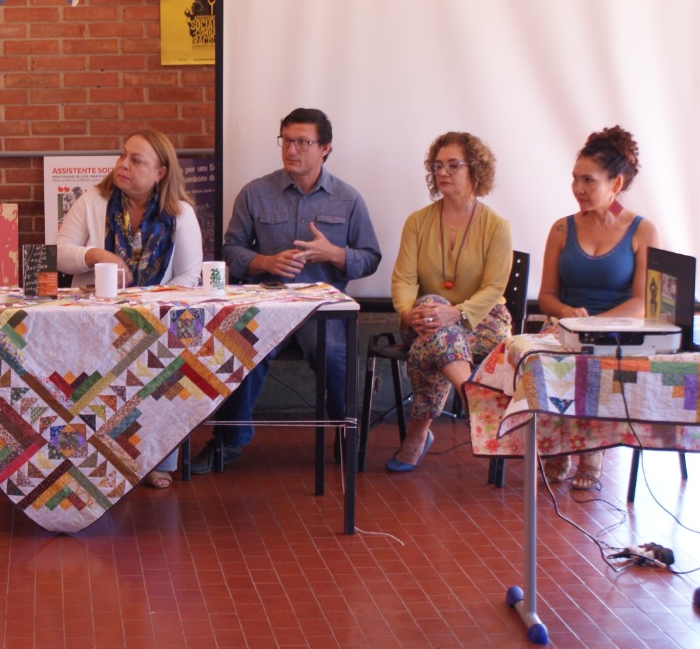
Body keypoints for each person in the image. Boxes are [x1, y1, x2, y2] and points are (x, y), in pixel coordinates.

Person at [190, 108, 381, 474]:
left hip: (320, 308)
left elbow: (371, 257)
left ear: (325, 148)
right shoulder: (255, 193)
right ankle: (228, 441)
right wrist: (265, 262)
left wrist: (335, 254)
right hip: (266, 305)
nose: (291, 150)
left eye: (302, 142)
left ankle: (345, 433)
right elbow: (230, 250)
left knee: (335, 352)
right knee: (239, 346)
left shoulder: (349, 199)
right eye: (286, 141)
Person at [56, 129, 202, 488]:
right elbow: (59, 252)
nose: (123, 165)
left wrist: (149, 306)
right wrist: (95, 255)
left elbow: (189, 276)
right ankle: (88, 458)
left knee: (163, 368)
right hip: (95, 319)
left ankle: (155, 459)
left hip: (153, 321)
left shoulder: (180, 213)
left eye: (136, 160)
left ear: (160, 173)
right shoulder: (93, 200)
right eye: (122, 156)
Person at [536, 127, 658, 490]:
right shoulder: (561, 228)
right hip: (566, 326)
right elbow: (546, 295)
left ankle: (592, 448)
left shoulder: (642, 230)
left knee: (597, 363)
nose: (578, 189)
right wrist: (568, 315)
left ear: (616, 183)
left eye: (588, 180)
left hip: (619, 330)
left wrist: (596, 325)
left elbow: (642, 300)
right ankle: (557, 444)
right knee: (546, 359)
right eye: (575, 179)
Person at [387, 132, 513, 472]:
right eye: (438, 165)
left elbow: (493, 288)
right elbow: (403, 279)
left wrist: (455, 312)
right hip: (424, 318)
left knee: (433, 342)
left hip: (484, 320)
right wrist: (408, 312)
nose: (443, 172)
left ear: (477, 170)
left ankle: (418, 433)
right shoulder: (417, 222)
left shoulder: (497, 227)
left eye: (453, 165)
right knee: (431, 309)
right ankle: (472, 394)